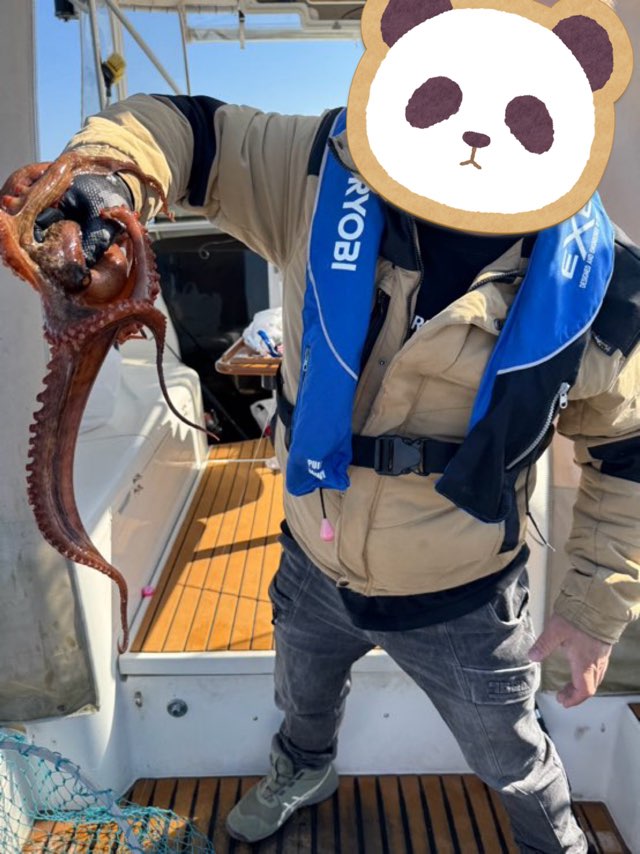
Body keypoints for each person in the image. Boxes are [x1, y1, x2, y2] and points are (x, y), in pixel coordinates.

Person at [38, 28, 639, 853]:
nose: (477, 131)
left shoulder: (606, 287)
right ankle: (303, 767)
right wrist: (110, 174)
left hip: (464, 594)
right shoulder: (319, 171)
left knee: (514, 755)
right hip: (313, 562)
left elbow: (627, 454)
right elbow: (192, 133)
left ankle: (554, 840)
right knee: (303, 699)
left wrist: (593, 612)